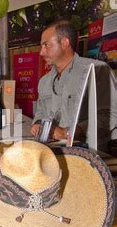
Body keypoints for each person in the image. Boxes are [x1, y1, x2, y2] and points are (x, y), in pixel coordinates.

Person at [31, 19, 116, 151]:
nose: (41, 52)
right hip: (51, 153)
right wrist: (37, 124)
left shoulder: (97, 70)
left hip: (89, 154)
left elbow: (111, 114)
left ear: (64, 43)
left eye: (46, 45)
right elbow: (40, 111)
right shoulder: (44, 81)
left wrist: (67, 132)